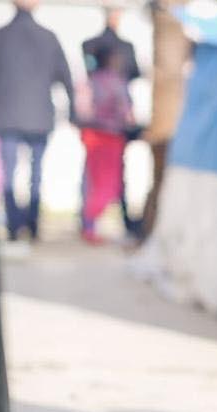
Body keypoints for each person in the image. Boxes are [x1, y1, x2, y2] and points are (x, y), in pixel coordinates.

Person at [0, 0, 74, 242]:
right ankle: (32, 223)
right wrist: (73, 111)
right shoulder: (49, 37)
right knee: (36, 172)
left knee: (10, 172)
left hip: (7, 114)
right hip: (40, 115)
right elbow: (66, 78)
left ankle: (13, 224)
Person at [82, 7, 141, 243]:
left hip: (90, 133)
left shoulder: (91, 79)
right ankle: (92, 223)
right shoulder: (117, 81)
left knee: (92, 179)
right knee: (110, 182)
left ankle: (88, 225)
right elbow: (126, 111)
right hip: (111, 136)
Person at [141, 1, 192, 241]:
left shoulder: (173, 22)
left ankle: (152, 235)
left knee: (163, 183)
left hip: (169, 127)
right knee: (164, 183)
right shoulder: (174, 22)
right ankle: (153, 235)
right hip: (170, 128)